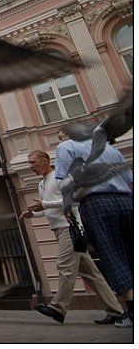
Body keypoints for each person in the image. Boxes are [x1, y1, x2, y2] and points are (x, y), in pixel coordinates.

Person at [19, 149, 123, 325]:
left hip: (70, 228)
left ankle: (58, 308)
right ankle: (116, 311)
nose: (30, 166)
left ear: (45, 160)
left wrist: (45, 204)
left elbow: (73, 200)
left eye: (33, 162)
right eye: (29, 163)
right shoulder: (41, 184)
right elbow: (49, 209)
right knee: (92, 274)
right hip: (58, 229)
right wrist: (33, 215)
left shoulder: (60, 178)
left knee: (64, 265)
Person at [55, 127, 133, 328]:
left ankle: (133, 311)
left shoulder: (66, 147)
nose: (59, 140)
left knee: (112, 254)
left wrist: (67, 208)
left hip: (96, 203)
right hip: (125, 201)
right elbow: (129, 180)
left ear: (66, 135)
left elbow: (66, 183)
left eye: (59, 137)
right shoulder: (109, 148)